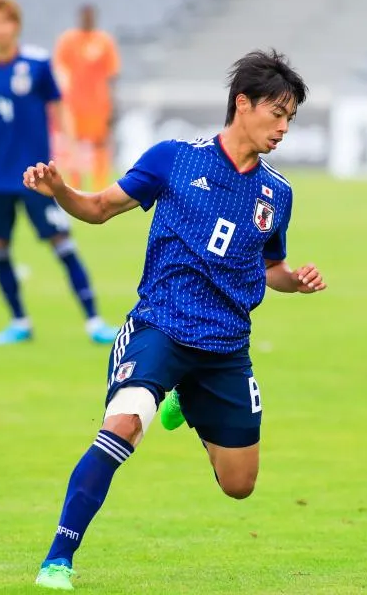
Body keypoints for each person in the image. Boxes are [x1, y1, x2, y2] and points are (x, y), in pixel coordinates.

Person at [23, 49, 325, 590]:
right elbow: (97, 208)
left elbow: (272, 267)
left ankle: (185, 397)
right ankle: (57, 560)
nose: (284, 127)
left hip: (226, 345)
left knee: (240, 484)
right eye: (277, 113)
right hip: (161, 326)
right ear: (243, 104)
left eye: (291, 118)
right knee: (124, 422)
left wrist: (293, 281)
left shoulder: (278, 193)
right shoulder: (175, 159)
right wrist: (61, 190)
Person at [0, 0, 117, 345]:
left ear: (16, 26)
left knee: (62, 243)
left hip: (36, 177)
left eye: (6, 21)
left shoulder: (36, 64)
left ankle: (94, 320)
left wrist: (70, 148)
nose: (0, 28)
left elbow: (58, 106)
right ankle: (20, 321)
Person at [54, 4, 121, 191]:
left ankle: (100, 187)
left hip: (99, 105)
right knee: (73, 147)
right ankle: (75, 187)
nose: (87, 20)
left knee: (100, 146)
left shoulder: (104, 41)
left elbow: (112, 75)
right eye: (84, 16)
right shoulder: (68, 41)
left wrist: (114, 105)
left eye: (90, 16)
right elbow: (60, 72)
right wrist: (59, 103)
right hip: (73, 105)